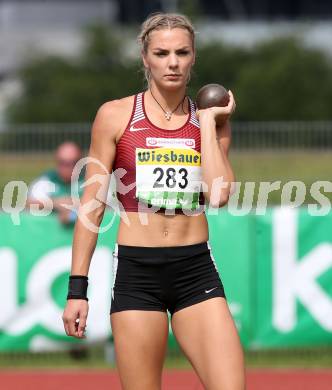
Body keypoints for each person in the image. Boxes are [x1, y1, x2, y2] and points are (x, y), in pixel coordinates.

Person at [62, 12, 245, 390]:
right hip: (137, 275)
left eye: (182, 52)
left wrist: (209, 123)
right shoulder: (114, 116)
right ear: (145, 58)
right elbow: (92, 204)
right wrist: (76, 290)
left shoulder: (211, 119)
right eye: (162, 53)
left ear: (194, 57)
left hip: (195, 271)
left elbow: (220, 194)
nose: (173, 62)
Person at [27, 141, 84, 225]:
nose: (68, 167)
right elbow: (30, 203)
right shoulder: (46, 180)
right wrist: (56, 203)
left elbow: (106, 204)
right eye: (63, 162)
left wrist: (75, 207)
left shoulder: (90, 179)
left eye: (73, 162)